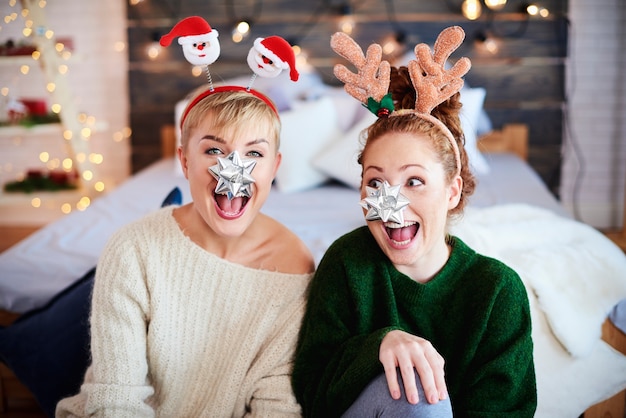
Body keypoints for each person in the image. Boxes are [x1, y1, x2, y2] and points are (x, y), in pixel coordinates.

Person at [291, 27, 537, 417]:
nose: (392, 204)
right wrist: (379, 346)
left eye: (414, 181)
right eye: (376, 182)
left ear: (452, 191)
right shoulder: (346, 262)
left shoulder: (497, 292)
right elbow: (311, 388)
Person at [56, 84, 315, 417]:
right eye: (213, 151)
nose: (232, 170)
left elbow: (277, 407)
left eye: (254, 153)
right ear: (184, 160)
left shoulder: (295, 270)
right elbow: (115, 402)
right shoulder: (133, 249)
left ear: (274, 167)